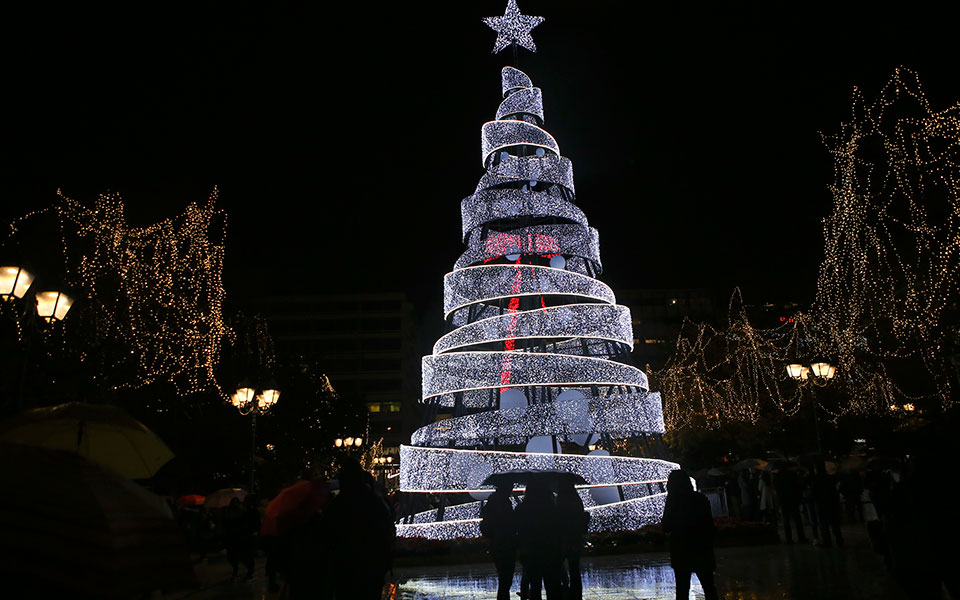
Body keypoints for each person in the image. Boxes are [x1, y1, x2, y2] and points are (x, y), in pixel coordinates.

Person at [661, 470, 719, 600]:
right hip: (702, 548)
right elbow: (709, 524)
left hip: (681, 549)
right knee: (709, 587)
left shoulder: (673, 500)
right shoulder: (700, 498)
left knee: (682, 589)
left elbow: (666, 525)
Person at [515, 479, 561, 600]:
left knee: (534, 584)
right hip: (550, 550)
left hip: (530, 551)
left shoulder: (522, 508)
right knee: (552, 584)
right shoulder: (552, 508)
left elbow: (516, 528)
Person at [480, 483, 517, 600]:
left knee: (503, 576)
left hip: (496, 543)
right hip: (505, 542)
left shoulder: (492, 501)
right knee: (506, 576)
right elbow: (508, 522)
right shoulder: (503, 502)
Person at [555, 480, 589, 600]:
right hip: (575, 539)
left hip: (562, 540)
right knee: (575, 570)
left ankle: (561, 592)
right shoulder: (576, 501)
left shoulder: (560, 502)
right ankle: (576, 594)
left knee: (557, 567)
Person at [223, 496, 259, 581]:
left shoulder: (248, 511)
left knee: (246, 556)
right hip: (236, 537)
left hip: (244, 537)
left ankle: (249, 572)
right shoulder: (233, 512)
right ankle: (241, 571)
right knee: (234, 556)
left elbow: (253, 524)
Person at [811, 462, 843, 547]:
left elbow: (814, 492)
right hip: (832, 503)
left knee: (824, 524)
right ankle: (839, 540)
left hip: (821, 504)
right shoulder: (831, 477)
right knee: (835, 523)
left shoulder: (816, 478)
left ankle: (827, 541)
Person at [773, 468, 806, 543]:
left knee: (786, 520)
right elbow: (797, 487)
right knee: (797, 519)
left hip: (783, 500)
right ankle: (801, 537)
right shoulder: (792, 475)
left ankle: (789, 538)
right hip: (793, 499)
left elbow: (776, 489)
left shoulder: (777, 477)